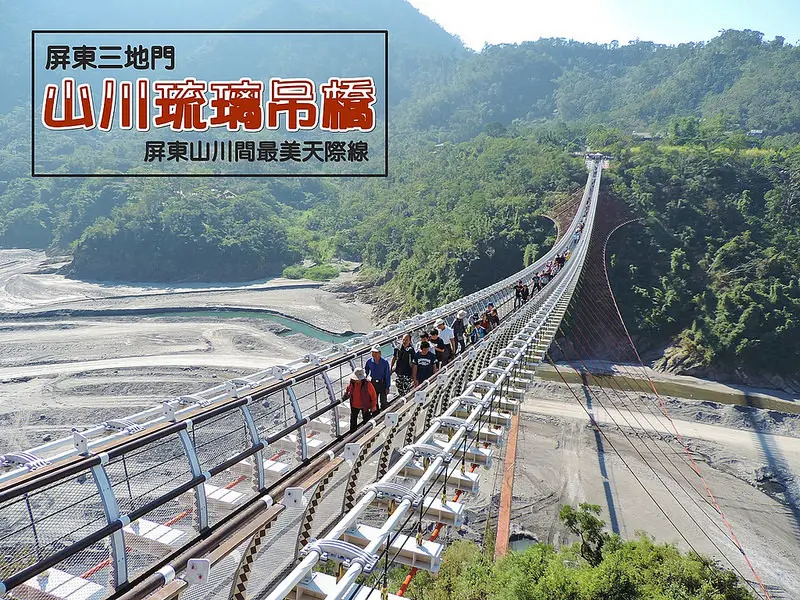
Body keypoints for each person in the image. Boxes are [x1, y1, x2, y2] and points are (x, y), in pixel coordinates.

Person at [342, 368, 376, 432]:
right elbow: (348, 389)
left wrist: (373, 405)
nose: (355, 380)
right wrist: (345, 395)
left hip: (365, 405)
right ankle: (353, 433)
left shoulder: (367, 384)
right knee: (353, 420)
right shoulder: (352, 382)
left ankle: (367, 432)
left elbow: (373, 395)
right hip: (354, 405)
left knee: (366, 420)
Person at [365, 345, 391, 412]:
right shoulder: (369, 361)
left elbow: (387, 375)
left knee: (383, 401)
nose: (374, 354)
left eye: (376, 352)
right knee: (374, 401)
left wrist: (387, 386)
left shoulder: (385, 362)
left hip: (382, 383)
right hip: (373, 383)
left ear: (380, 353)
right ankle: (376, 414)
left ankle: (384, 413)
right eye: (373, 352)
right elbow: (366, 371)